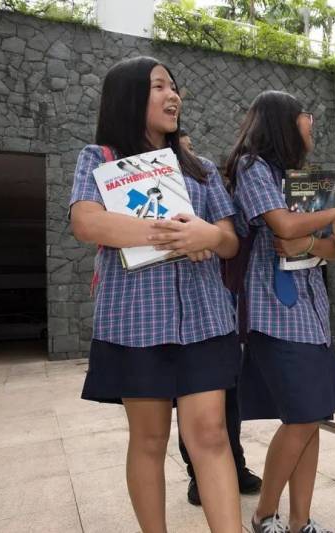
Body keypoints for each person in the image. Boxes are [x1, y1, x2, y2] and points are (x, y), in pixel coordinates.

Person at [70, 56, 242, 532]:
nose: (173, 96)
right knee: (147, 439)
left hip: (205, 320)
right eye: (159, 87)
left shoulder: (202, 168)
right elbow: (86, 221)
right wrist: (167, 233)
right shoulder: (99, 159)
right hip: (134, 323)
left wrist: (207, 235)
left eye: (174, 87)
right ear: (128, 96)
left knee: (211, 434)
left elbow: (229, 238)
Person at [227, 90, 335, 533]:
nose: (312, 127)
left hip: (311, 312)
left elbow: (328, 249)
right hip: (275, 312)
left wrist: (313, 239)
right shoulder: (252, 167)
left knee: (312, 418)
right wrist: (329, 217)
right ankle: (263, 514)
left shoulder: (297, 178)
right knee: (301, 418)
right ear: (283, 121)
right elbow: (282, 227)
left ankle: (300, 522)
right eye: (306, 118)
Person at [174, 126, 262, 503]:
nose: (186, 152)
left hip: (226, 303)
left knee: (228, 395)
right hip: (193, 307)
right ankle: (198, 473)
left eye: (190, 147)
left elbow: (233, 240)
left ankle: (235, 465)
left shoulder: (210, 183)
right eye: (182, 146)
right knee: (191, 401)